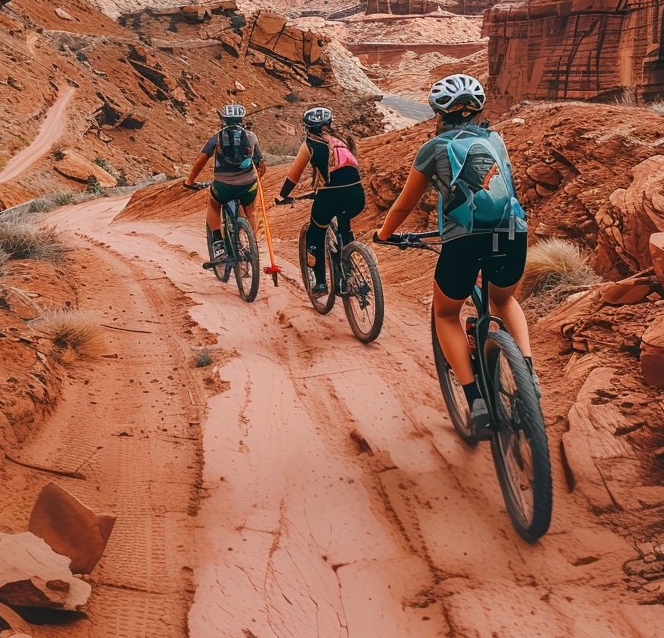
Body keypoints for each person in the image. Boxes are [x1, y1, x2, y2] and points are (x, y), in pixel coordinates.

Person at [374, 72, 529, 434]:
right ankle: (528, 379)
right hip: (510, 233)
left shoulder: (433, 149)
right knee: (504, 301)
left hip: (464, 240)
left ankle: (476, 402)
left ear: (437, 114)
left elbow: (403, 205)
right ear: (476, 111)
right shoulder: (496, 139)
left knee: (446, 313)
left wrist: (384, 235)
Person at [277, 105, 366, 291]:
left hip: (330, 196)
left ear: (307, 127)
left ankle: (320, 283)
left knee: (315, 234)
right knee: (344, 224)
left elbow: (293, 176)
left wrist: (282, 195)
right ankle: (348, 268)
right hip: (357, 195)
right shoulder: (343, 139)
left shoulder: (309, 144)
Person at [183, 102, 263, 264]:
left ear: (223, 120)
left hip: (223, 186)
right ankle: (253, 245)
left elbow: (201, 160)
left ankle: (218, 244)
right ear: (241, 120)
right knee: (251, 209)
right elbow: (261, 165)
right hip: (248, 185)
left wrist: (190, 181)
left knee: (213, 204)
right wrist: (255, 180)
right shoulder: (251, 137)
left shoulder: (217, 137)